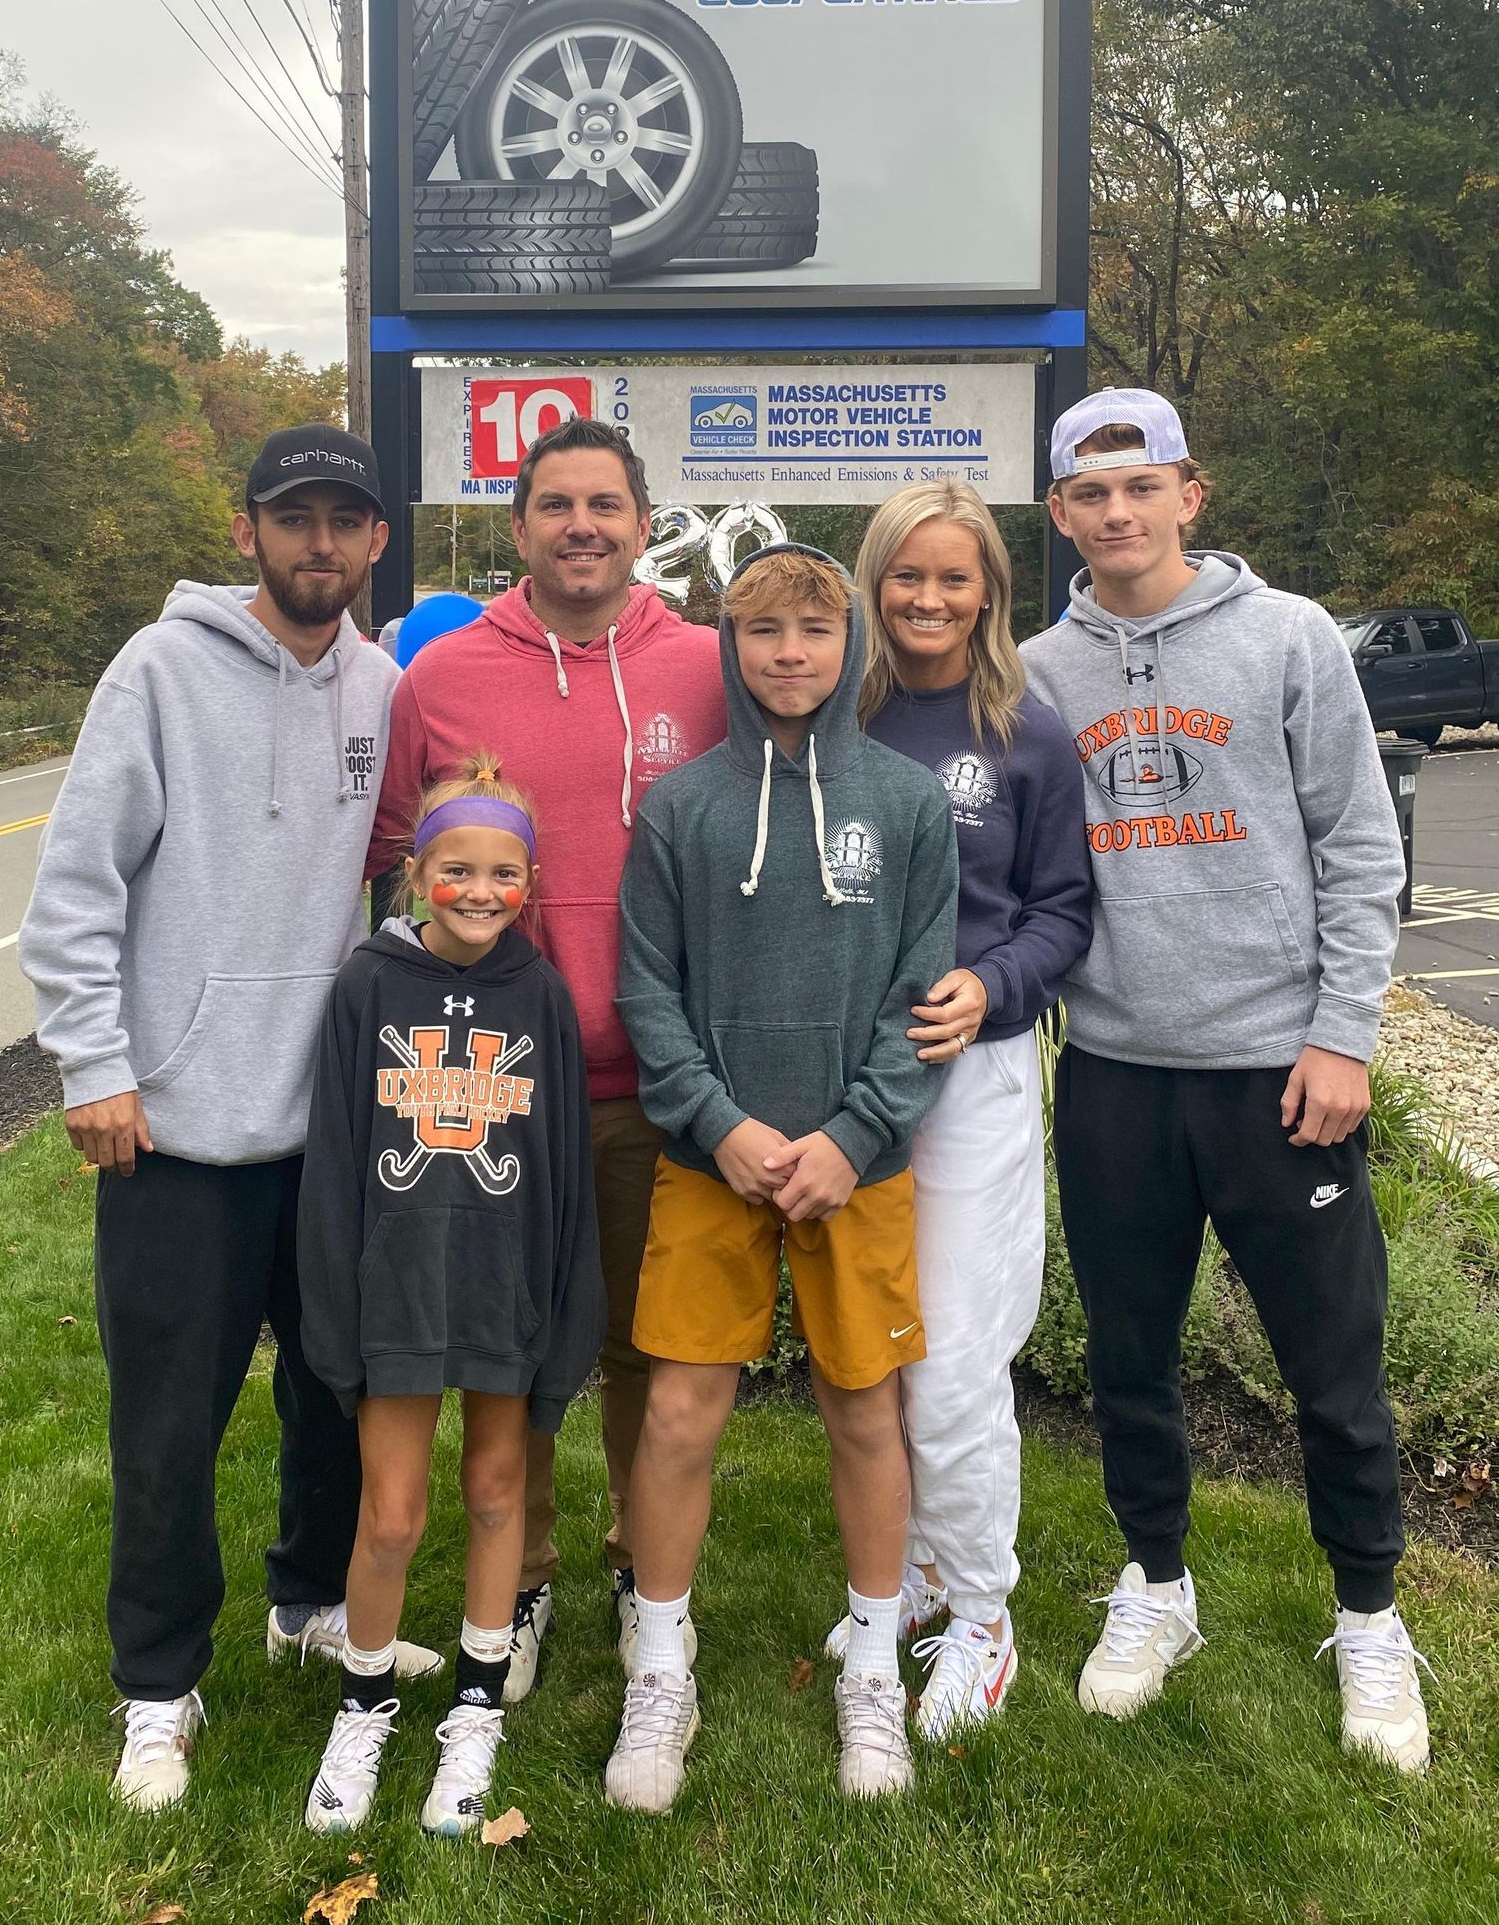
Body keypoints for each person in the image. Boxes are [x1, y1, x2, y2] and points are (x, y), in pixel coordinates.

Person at [19, 424, 439, 1813]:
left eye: (345, 521)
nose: (320, 543)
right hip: (177, 1134)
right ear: (250, 531)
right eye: (293, 518)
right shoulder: (157, 673)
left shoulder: (382, 687)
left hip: (324, 1127)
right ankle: (157, 1683)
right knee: (167, 1425)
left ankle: (311, 1600)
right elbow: (76, 886)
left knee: (335, 1392)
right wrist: (95, 1065)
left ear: (377, 542)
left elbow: (392, 869)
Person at [1021, 389, 1428, 1770]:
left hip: (1277, 1075)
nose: (1118, 513)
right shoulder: (1036, 672)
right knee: (1129, 1363)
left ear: (1191, 495)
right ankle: (1159, 1589)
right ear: (1062, 513)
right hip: (1119, 1075)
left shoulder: (1287, 639)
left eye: (1144, 487)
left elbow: (1361, 852)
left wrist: (1343, 1035)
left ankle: (1369, 1616)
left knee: (1334, 1373)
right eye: (1091, 493)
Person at [370, 416, 724, 1697]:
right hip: (495, 1088)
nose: (584, 525)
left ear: (643, 524)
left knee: (643, 1341)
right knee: (506, 1348)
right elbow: (381, 867)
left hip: (661, 1080)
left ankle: (645, 1571)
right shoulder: (443, 677)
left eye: (607, 504)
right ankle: (517, 1584)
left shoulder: (708, 666)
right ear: (518, 529)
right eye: (557, 504)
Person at [607, 544, 959, 1810]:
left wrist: (855, 1134)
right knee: (681, 1413)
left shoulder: (909, 805)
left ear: (850, 641)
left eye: (816, 628)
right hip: (716, 1161)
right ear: (730, 648)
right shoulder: (685, 807)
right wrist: (723, 1124)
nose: (790, 653)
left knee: (866, 1412)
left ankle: (874, 1670)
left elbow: (924, 989)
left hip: (855, 1169)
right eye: (764, 632)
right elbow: (646, 986)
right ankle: (661, 1660)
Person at [817, 482, 1092, 1736]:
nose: (927, 599)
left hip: (969, 1073)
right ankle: (917, 1563)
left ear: (991, 590)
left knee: (957, 1363)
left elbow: (1064, 912)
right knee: (880, 1352)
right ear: (872, 584)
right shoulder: (828, 712)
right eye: (904, 577)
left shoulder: (1026, 728)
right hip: (844, 1080)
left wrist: (993, 985)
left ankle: (983, 1607)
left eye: (955, 577)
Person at [298, 755, 605, 1837]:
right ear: (416, 872)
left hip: (503, 1292)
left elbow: (563, 1171)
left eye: (504, 872)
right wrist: (334, 1304)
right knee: (390, 1514)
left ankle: (475, 1714)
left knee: (493, 1496)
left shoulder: (543, 996)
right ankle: (363, 1705)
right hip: (398, 1295)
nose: (481, 892)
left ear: (531, 878)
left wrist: (567, 1309)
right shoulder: (366, 987)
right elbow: (336, 1160)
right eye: (457, 870)